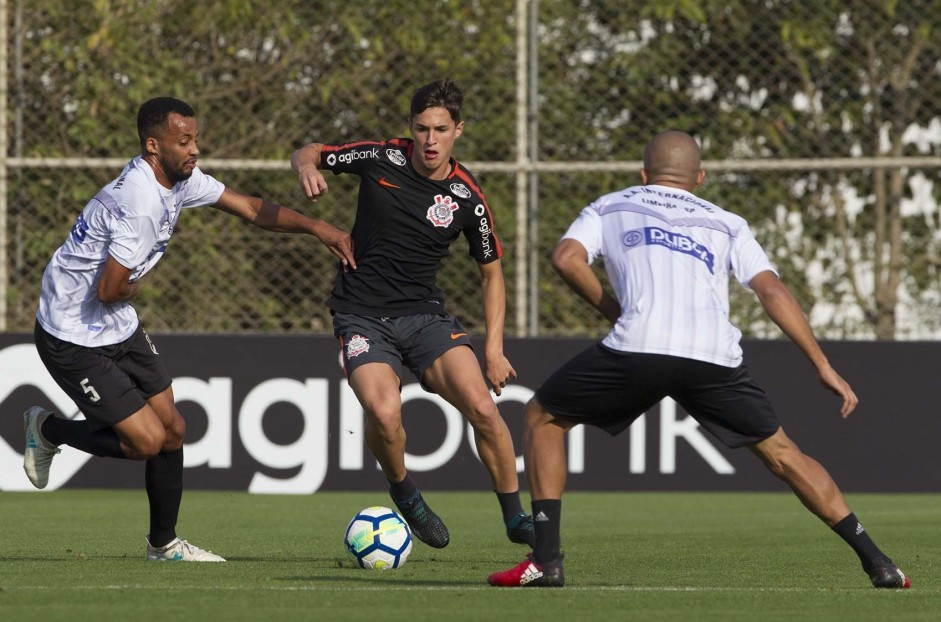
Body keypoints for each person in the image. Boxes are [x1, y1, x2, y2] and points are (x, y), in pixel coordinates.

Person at [487, 130, 911, 589]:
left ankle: (546, 562)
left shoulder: (611, 204)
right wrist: (822, 365)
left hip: (639, 346)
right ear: (701, 177)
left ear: (644, 174)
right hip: (713, 356)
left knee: (543, 417)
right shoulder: (728, 222)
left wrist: (615, 311)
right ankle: (878, 562)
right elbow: (771, 289)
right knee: (785, 455)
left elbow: (567, 259)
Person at [23, 96, 355, 562]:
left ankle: (164, 545)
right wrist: (133, 289)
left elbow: (251, 208)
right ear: (154, 146)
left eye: (196, 138)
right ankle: (50, 428)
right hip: (71, 331)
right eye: (185, 141)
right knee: (146, 441)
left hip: (115, 325)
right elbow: (110, 289)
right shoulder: (137, 202)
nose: (195, 148)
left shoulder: (179, 180)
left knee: (173, 428)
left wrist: (319, 227)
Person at [290, 78, 534, 549]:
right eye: (422, 129)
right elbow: (312, 150)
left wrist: (495, 348)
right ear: (410, 128)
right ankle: (405, 493)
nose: (430, 140)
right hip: (360, 315)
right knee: (383, 412)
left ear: (457, 131)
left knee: (484, 408)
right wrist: (306, 167)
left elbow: (492, 274)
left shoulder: (468, 199)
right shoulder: (380, 156)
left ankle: (515, 517)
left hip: (424, 318)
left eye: (441, 129)